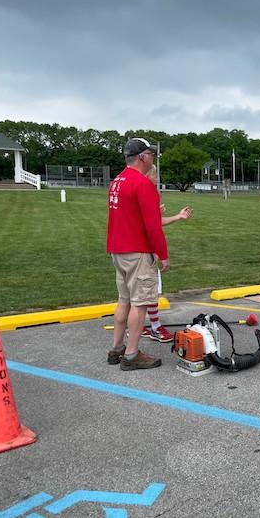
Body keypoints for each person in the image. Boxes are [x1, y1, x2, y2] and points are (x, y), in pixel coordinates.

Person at [106, 138, 169, 371]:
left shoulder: (117, 181)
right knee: (140, 303)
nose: (153, 157)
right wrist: (163, 255)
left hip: (118, 249)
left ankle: (116, 348)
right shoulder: (143, 184)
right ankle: (132, 354)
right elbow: (153, 227)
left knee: (124, 300)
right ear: (142, 156)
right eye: (151, 153)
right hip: (137, 251)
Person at [141, 166, 193, 343]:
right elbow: (152, 227)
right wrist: (160, 253)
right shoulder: (146, 192)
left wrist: (178, 217)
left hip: (127, 251)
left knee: (137, 294)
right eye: (155, 175)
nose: (157, 179)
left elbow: (155, 222)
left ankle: (141, 327)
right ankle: (155, 328)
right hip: (143, 252)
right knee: (150, 292)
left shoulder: (139, 192)